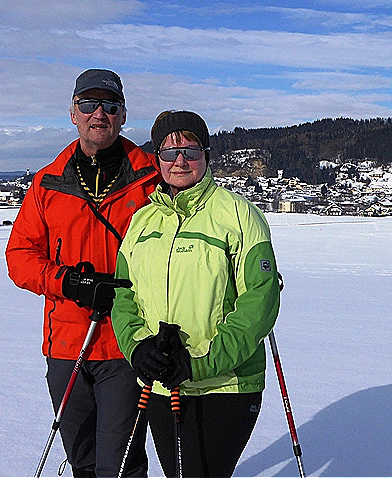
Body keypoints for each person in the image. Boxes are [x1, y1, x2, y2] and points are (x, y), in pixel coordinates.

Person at [6, 69, 160, 478]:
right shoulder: (48, 183)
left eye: (110, 106)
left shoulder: (151, 179)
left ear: (123, 115)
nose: (99, 114)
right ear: (73, 112)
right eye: (89, 104)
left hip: (126, 343)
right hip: (65, 345)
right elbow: (20, 256)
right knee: (83, 460)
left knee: (120, 465)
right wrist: (68, 282)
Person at [111, 110, 281, 478]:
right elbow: (124, 298)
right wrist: (138, 348)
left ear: (206, 154)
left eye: (190, 150)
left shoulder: (237, 214)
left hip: (226, 385)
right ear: (157, 158)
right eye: (170, 153)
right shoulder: (142, 221)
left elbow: (260, 301)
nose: (180, 161)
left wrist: (199, 361)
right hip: (161, 383)